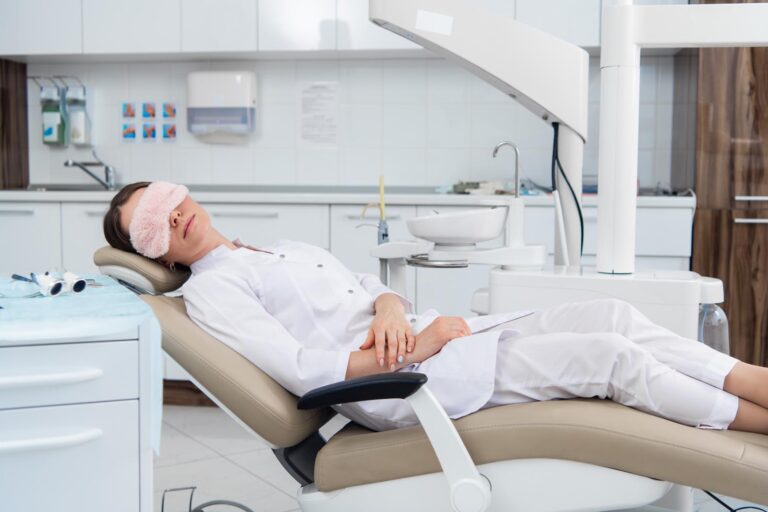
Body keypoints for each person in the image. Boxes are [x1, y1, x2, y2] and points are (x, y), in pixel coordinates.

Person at [104, 181, 768, 434]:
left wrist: (393, 312)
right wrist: (412, 348)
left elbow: (371, 286)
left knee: (614, 315)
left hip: (435, 340)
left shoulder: (275, 249)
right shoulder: (213, 290)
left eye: (162, 198)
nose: (171, 215)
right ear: (158, 253)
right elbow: (306, 370)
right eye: (151, 226)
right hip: (408, 385)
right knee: (611, 358)